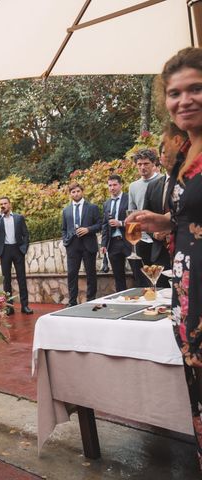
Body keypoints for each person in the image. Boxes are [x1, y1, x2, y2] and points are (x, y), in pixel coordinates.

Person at [129, 47, 202, 471]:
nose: (184, 100)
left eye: (196, 89)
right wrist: (165, 219)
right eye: (175, 93)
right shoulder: (182, 154)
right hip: (189, 294)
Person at [143, 123, 188, 288]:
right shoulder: (153, 186)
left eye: (172, 152)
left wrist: (169, 227)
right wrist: (154, 233)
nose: (168, 156)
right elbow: (146, 215)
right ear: (160, 159)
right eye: (164, 153)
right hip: (159, 250)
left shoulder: (188, 182)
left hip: (184, 248)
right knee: (161, 293)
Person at [0, 196, 33, 314]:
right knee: (7, 280)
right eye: (1, 204)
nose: (3, 205)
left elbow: (25, 234)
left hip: (17, 250)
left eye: (5, 203)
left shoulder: (18, 218)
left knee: (21, 279)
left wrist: (24, 249)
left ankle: (25, 306)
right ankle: (9, 307)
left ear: (10, 204)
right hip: (5, 251)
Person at [61, 182, 101, 306]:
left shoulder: (92, 207)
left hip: (88, 244)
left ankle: (91, 300)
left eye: (78, 191)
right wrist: (65, 240)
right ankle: (72, 302)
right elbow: (64, 229)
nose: (76, 193)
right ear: (70, 194)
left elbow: (100, 224)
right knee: (72, 274)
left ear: (82, 191)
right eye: (73, 192)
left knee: (91, 274)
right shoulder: (66, 210)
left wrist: (88, 229)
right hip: (72, 246)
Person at [128, 148, 161, 286]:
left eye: (146, 163)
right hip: (142, 238)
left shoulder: (163, 180)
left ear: (153, 164)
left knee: (162, 275)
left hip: (160, 236)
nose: (142, 167)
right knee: (145, 278)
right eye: (139, 164)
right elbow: (131, 213)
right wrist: (133, 240)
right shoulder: (133, 186)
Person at [100, 174, 131, 292]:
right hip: (113, 244)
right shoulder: (106, 204)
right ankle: (122, 302)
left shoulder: (129, 199)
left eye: (115, 185)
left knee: (137, 272)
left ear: (121, 185)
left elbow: (135, 219)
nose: (112, 188)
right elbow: (104, 225)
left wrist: (121, 223)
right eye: (110, 185)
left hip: (128, 241)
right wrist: (103, 244)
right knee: (118, 277)